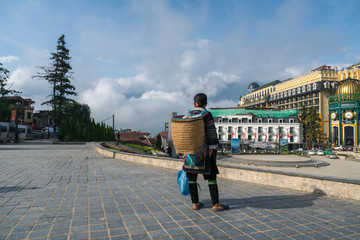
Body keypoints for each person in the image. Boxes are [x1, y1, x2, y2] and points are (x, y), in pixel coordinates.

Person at [184, 93, 229, 212]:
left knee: (192, 178)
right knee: (211, 177)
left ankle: (195, 203)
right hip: (204, 152)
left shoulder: (187, 115)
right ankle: (216, 204)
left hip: (189, 153)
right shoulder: (206, 114)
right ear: (205, 104)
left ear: (194, 103)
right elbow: (211, 132)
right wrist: (211, 148)